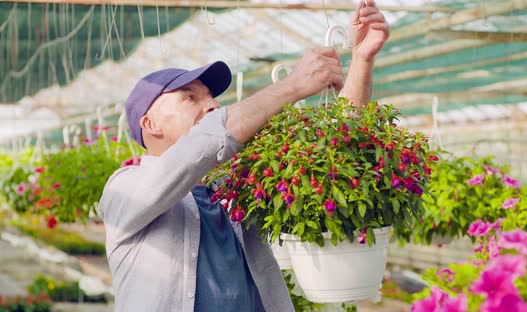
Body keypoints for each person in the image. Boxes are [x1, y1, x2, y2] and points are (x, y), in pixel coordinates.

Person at [98, 1, 389, 311]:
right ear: (150, 124)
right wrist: (293, 85)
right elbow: (203, 146)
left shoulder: (236, 182)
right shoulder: (124, 190)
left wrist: (362, 60)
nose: (212, 105)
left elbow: (332, 149)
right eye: (190, 97)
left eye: (211, 96)